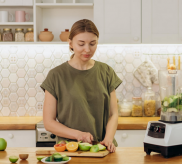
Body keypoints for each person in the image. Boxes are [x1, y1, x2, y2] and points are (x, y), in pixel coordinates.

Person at [41, 19, 122, 153]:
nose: (87, 49)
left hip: (103, 149)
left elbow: (113, 114)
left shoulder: (106, 72)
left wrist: (108, 138)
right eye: (81, 44)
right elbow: (49, 122)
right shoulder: (56, 75)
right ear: (70, 43)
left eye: (92, 43)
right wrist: (78, 135)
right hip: (69, 151)